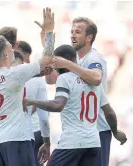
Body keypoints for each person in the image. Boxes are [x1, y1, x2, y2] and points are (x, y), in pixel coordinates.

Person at [0, 8, 55, 166]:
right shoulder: (15, 73)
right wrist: (49, 32)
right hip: (17, 140)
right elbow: (47, 59)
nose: (13, 51)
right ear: (5, 55)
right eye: (10, 50)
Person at [24, 44, 127, 166]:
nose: (54, 66)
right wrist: (115, 131)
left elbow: (58, 105)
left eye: (55, 62)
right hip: (93, 143)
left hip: (72, 143)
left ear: (64, 60)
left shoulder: (65, 78)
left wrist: (31, 101)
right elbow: (108, 111)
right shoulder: (92, 81)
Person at [49, 17, 114, 166]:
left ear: (89, 37)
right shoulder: (77, 61)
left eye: (77, 32)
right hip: (79, 133)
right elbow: (50, 78)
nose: (72, 35)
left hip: (97, 129)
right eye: (71, 31)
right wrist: (47, 40)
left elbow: (96, 78)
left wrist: (67, 64)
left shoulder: (93, 58)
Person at [12, 50, 51, 165]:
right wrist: (47, 142)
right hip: (29, 134)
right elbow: (43, 115)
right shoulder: (37, 81)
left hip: (5, 137)